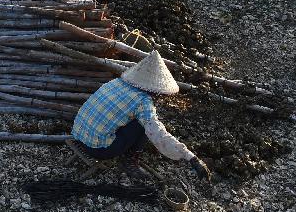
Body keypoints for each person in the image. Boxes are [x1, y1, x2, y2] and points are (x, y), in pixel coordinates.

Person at [71, 51, 210, 181]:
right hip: (98, 149)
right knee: (144, 125)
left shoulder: (115, 82)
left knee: (136, 120)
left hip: (79, 135)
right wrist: (190, 157)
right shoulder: (143, 101)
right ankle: (130, 160)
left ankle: (125, 151)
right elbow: (159, 134)